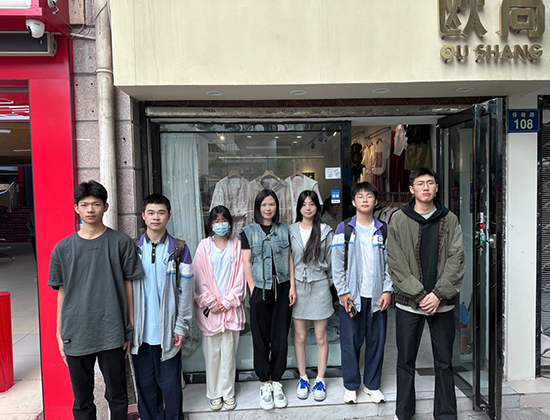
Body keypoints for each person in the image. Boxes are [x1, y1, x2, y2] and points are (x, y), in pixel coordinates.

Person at [48, 180, 144, 420]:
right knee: (82, 400)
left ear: (106, 207)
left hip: (112, 330)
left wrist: (129, 326)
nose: (90, 209)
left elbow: (129, 285)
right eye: (84, 204)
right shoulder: (62, 248)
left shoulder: (121, 242)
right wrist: (59, 332)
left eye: (96, 204)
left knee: (118, 396)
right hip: (76, 331)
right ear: (76, 208)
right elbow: (62, 292)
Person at [387, 167, 465, 420]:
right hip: (409, 303)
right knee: (405, 361)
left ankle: (445, 415)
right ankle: (404, 413)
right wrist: (420, 295)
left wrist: (438, 294)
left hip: (442, 303)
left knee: (444, 362)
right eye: (420, 183)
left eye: (430, 183)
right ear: (411, 189)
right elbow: (395, 261)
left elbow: (457, 258)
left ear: (437, 187)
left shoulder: (449, 219)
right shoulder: (399, 219)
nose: (426, 188)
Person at [132, 194, 193, 420]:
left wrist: (181, 326)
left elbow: (186, 292)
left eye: (160, 212)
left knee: (171, 387)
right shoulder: (133, 249)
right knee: (146, 387)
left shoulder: (179, 249)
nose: (155, 217)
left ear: (168, 216)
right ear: (143, 216)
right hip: (140, 333)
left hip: (168, 331)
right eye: (151, 212)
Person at [332, 181, 393, 405]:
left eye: (369, 196)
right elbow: (337, 265)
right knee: (350, 342)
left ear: (376, 201)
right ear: (353, 201)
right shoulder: (344, 229)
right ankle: (351, 386)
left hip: (377, 297)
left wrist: (388, 289)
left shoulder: (383, 229)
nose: (365, 199)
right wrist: (342, 292)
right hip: (352, 297)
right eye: (360, 196)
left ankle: (372, 385)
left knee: (376, 342)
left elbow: (390, 264)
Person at [241, 189, 296, 410]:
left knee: (280, 336)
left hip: (282, 287)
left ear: (276, 206)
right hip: (260, 290)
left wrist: (292, 286)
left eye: (271, 204)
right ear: (258, 207)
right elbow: (246, 262)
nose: (268, 208)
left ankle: (277, 380)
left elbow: (290, 258)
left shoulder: (284, 230)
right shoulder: (248, 232)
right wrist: (252, 288)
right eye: (264, 204)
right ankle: (264, 383)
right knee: (261, 337)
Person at [193, 206, 246, 411]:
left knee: (229, 354)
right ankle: (214, 394)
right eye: (216, 221)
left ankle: (228, 393)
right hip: (211, 311)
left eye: (224, 220)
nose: (220, 224)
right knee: (212, 355)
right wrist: (210, 302)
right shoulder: (203, 246)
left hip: (230, 310)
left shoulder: (237, 245)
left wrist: (228, 302)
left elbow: (241, 276)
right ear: (211, 224)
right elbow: (198, 276)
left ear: (230, 223)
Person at [289, 190, 334, 402]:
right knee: (299, 337)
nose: (308, 208)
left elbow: (332, 261)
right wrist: (291, 286)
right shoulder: (290, 230)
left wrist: (330, 285)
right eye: (304, 204)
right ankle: (303, 378)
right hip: (297, 288)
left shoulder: (325, 231)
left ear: (317, 206)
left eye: (312, 204)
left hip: (320, 286)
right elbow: (288, 260)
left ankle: (320, 379)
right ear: (299, 207)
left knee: (320, 336)